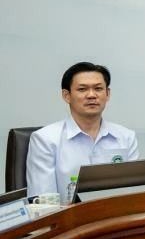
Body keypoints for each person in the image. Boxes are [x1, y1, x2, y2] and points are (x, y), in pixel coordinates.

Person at [26, 62, 139, 198]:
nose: (92, 95)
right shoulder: (45, 139)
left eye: (98, 89)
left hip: (116, 216)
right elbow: (43, 203)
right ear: (66, 95)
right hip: (67, 218)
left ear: (107, 94)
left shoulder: (126, 137)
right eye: (82, 89)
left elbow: (135, 193)